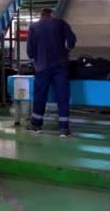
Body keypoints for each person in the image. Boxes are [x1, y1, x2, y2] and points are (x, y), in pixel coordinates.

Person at [26, 8, 77, 137]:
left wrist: (35, 58)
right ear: (51, 15)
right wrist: (66, 50)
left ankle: (36, 125)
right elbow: (72, 40)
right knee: (62, 96)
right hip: (61, 66)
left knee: (40, 96)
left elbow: (30, 51)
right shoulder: (61, 23)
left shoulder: (34, 27)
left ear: (41, 16)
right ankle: (64, 128)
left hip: (42, 67)